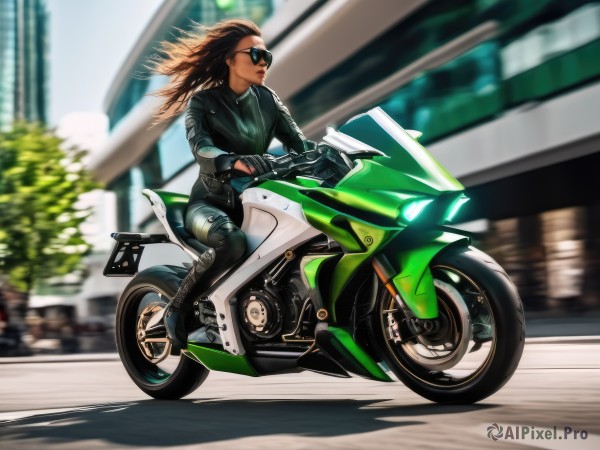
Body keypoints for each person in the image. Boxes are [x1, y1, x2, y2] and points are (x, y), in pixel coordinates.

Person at [151, 19, 310, 349]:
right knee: (232, 242)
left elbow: (301, 145)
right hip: (212, 203)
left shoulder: (267, 100)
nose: (263, 61)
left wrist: (336, 155)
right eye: (254, 54)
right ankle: (177, 310)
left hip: (258, 197)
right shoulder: (203, 102)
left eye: (267, 55)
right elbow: (202, 146)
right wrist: (233, 160)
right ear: (229, 59)